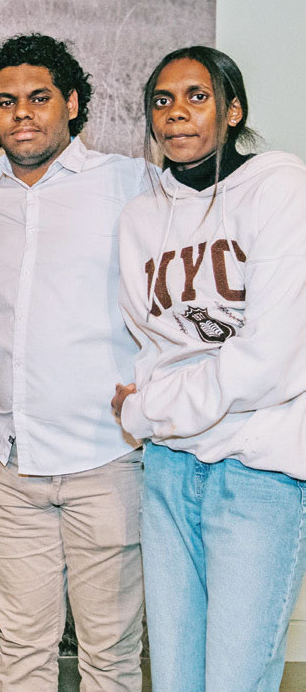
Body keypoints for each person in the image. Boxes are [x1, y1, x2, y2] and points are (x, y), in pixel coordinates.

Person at [0, 33, 150, 691]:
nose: (22, 114)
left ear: (70, 103)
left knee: (110, 659)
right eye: (4, 102)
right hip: (8, 465)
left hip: (107, 461)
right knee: (21, 657)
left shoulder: (130, 184)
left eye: (38, 98)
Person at [113, 46, 306, 692]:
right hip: (168, 471)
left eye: (195, 97)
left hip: (256, 471)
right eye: (160, 102)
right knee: (172, 678)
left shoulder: (279, 186)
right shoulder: (141, 217)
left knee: (235, 678)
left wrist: (145, 410)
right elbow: (152, 346)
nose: (175, 114)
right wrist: (158, 409)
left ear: (232, 109)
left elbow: (270, 359)